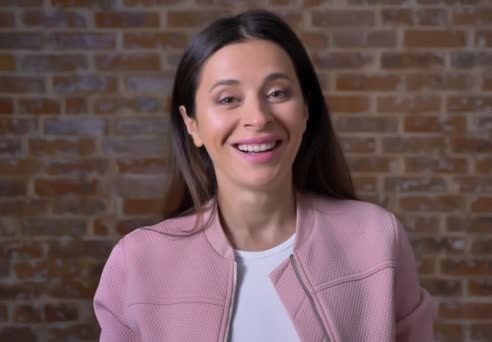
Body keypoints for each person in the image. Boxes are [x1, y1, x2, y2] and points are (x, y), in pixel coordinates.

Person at [94, 9, 435, 342]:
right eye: (228, 98)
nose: (257, 117)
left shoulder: (375, 237)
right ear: (191, 124)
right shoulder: (138, 260)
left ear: (305, 109)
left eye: (277, 93)